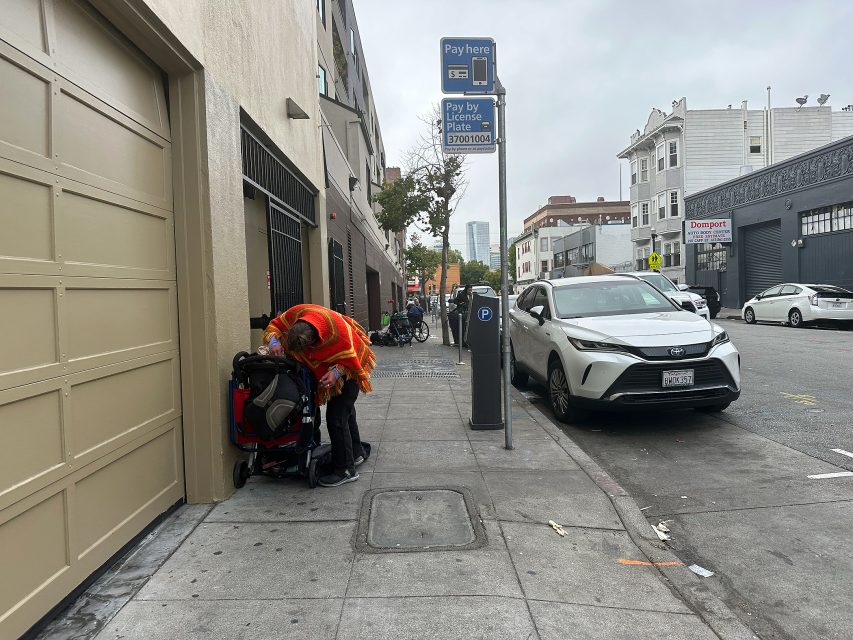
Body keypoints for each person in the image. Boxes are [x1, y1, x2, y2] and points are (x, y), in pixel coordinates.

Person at [264, 304, 374, 487]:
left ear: (316, 341)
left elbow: (352, 361)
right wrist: (274, 342)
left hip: (349, 369)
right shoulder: (296, 313)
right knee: (346, 412)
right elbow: (274, 326)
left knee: (337, 417)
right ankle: (356, 452)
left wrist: (336, 373)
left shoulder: (338, 333)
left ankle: (345, 470)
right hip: (335, 368)